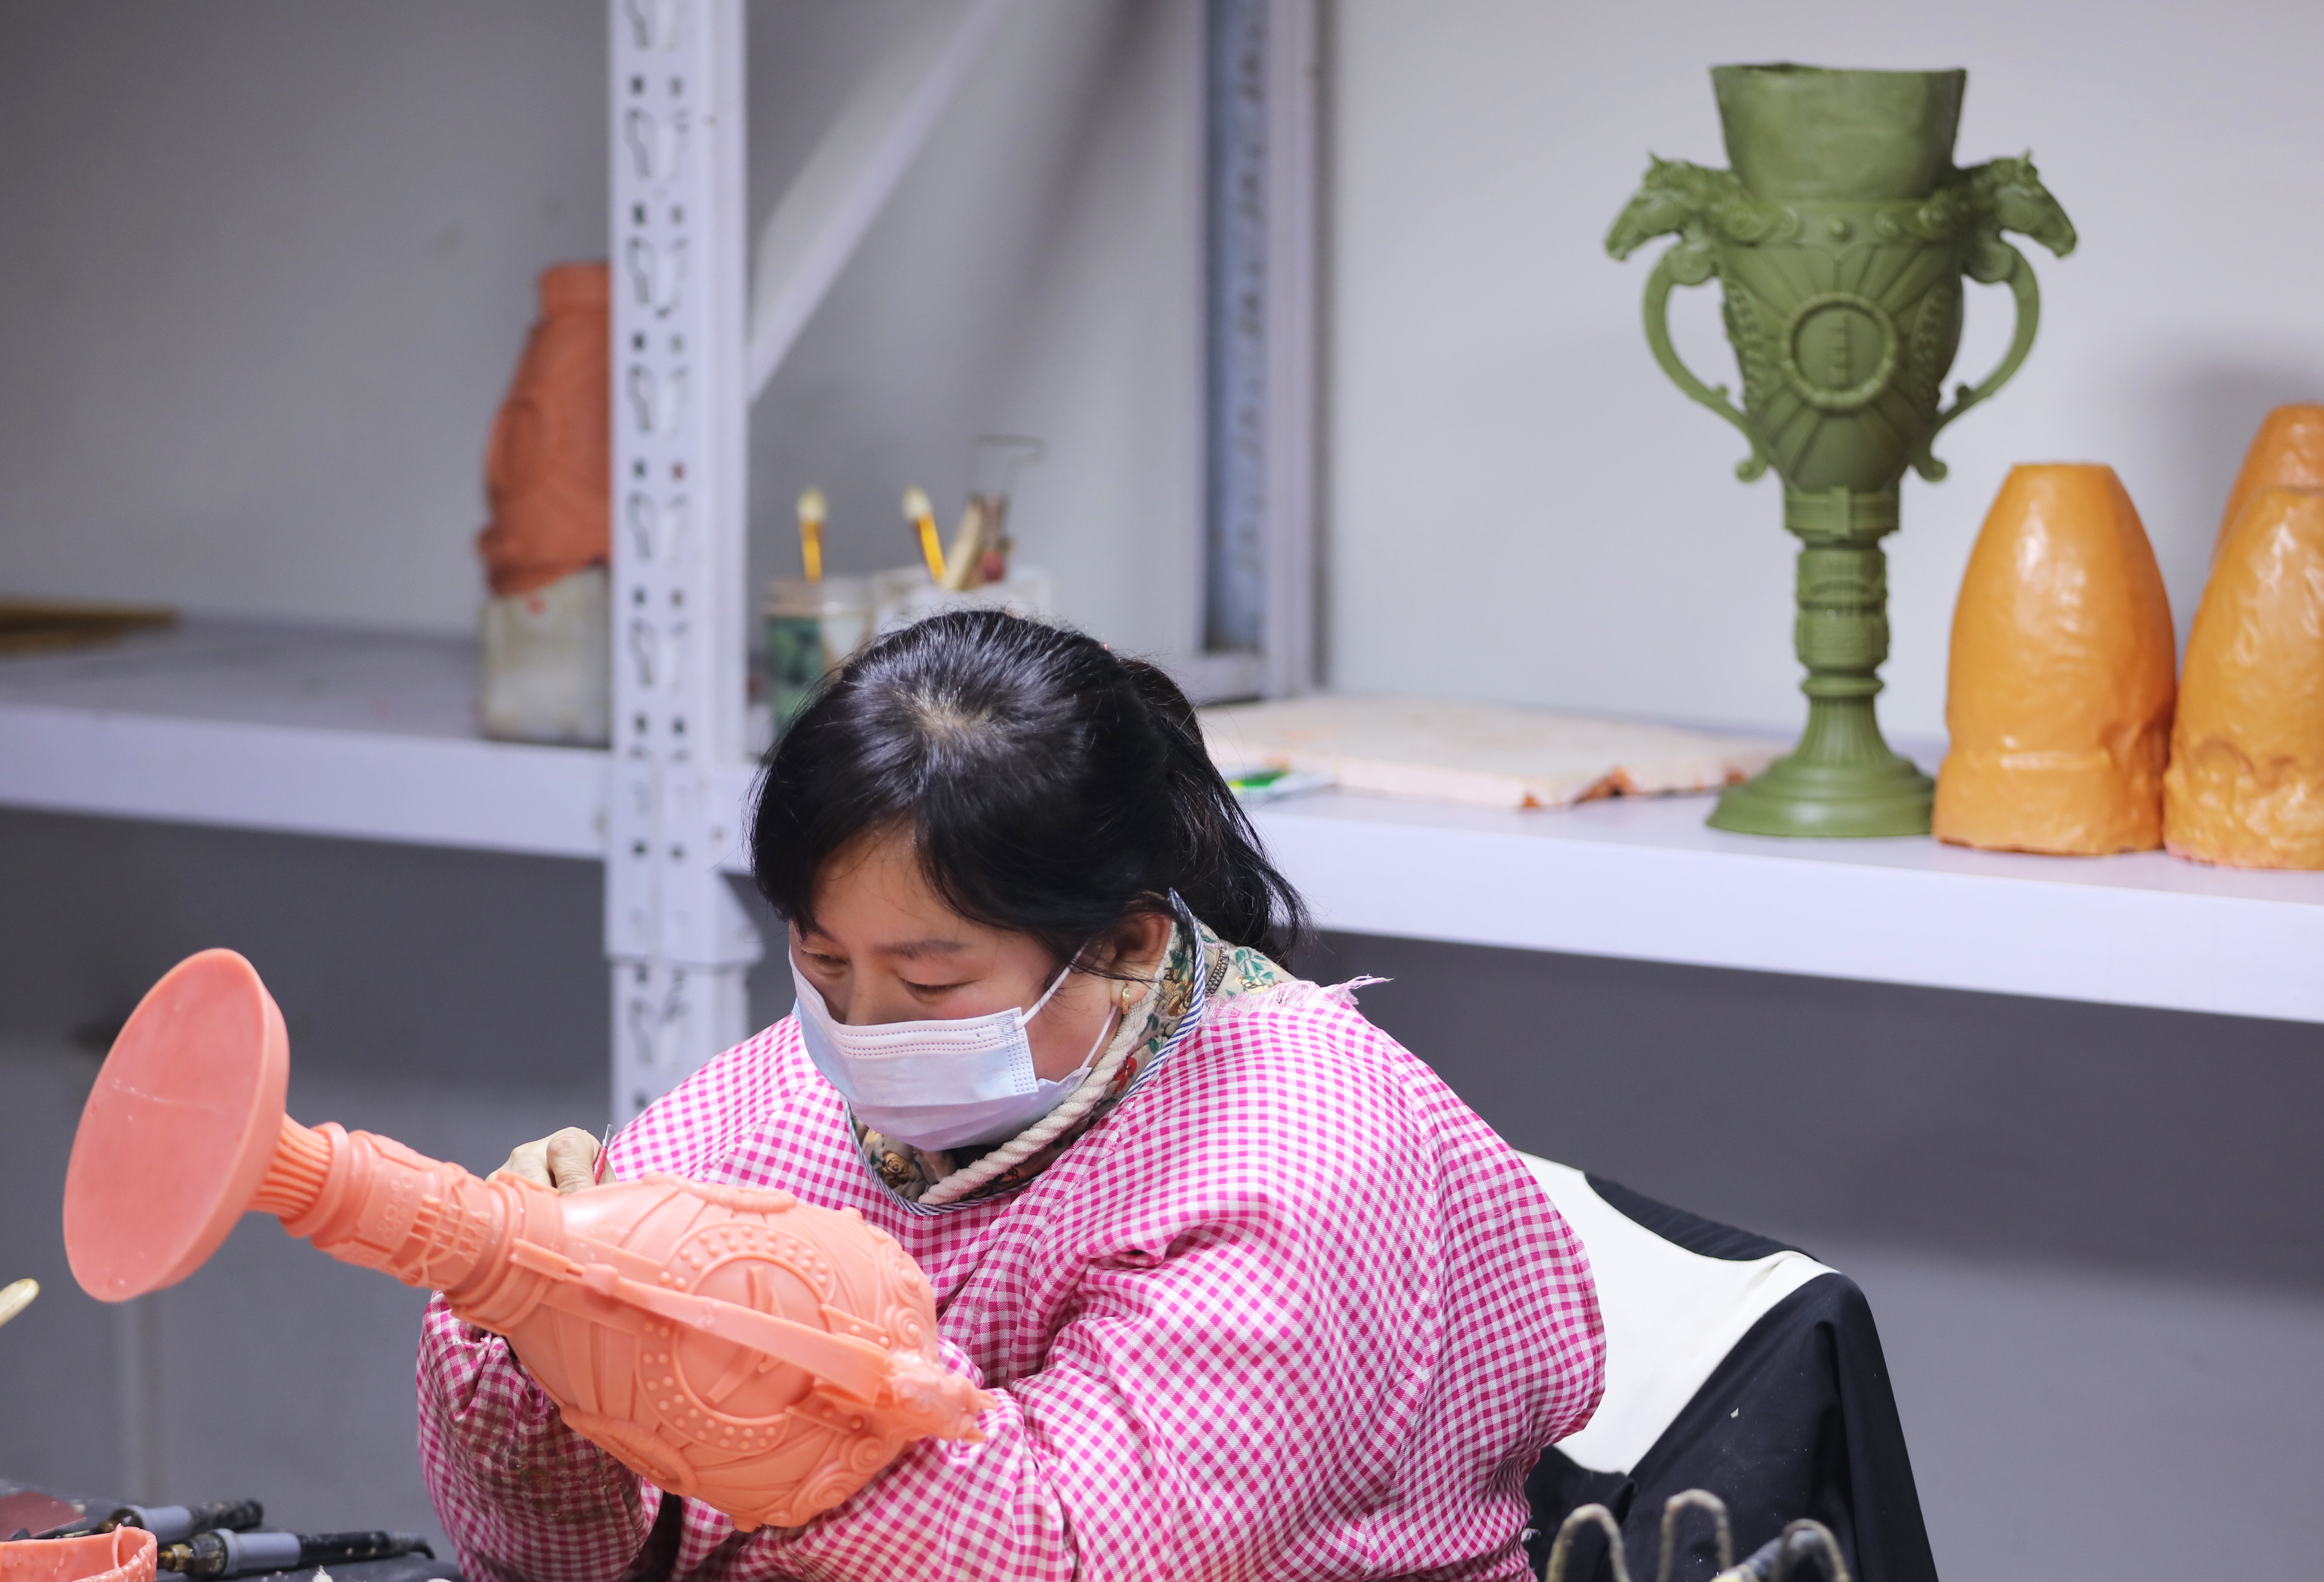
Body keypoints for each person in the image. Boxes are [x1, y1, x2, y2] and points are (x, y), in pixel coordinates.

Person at [417, 612, 1604, 1582]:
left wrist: (732, 1380)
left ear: (1125, 945)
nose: (860, 1030)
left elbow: (1064, 1556)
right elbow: (545, 1562)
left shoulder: (1291, 1146)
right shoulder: (782, 1095)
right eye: (823, 962)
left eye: (931, 983)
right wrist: (534, 1312)